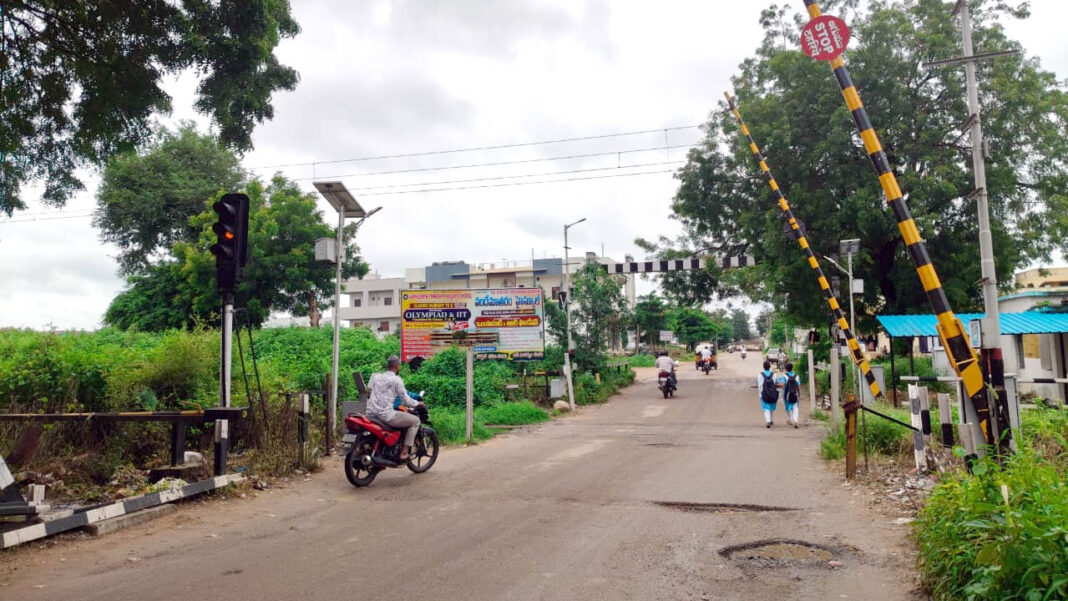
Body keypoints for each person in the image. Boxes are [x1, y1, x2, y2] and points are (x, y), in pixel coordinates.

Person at [367, 355, 423, 461]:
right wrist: (418, 404)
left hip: (371, 414)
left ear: (387, 366)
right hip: (386, 416)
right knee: (415, 421)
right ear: (397, 367)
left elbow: (369, 392)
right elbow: (406, 400)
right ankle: (404, 452)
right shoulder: (396, 380)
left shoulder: (376, 377)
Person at [758, 360, 780, 428]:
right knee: (771, 407)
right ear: (770, 367)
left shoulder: (760, 375)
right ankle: (770, 420)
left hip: (764, 393)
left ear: (763, 367)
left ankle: (768, 421)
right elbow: (777, 383)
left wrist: (760, 394)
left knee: (766, 407)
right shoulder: (774, 375)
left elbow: (760, 385)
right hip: (773, 393)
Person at [779, 362, 801, 428]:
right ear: (792, 368)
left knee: (788, 407)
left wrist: (777, 385)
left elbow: (782, 385)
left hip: (787, 394)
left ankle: (790, 420)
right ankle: (796, 421)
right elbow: (799, 386)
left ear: (786, 368)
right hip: (795, 393)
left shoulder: (784, 375)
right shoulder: (797, 376)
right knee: (795, 407)